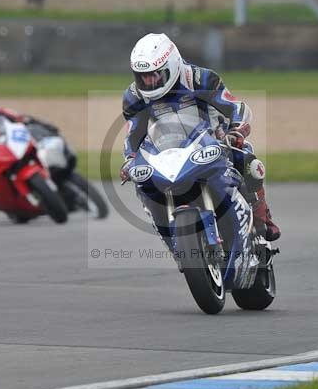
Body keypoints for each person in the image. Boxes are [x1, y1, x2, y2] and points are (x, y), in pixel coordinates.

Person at [120, 32, 280, 241]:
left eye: (156, 75)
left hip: (214, 141)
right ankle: (172, 240)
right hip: (168, 152)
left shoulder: (200, 78)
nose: (149, 82)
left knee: (249, 162)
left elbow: (235, 107)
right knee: (143, 183)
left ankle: (262, 218)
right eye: (143, 77)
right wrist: (129, 160)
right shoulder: (134, 97)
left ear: (173, 64)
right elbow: (133, 134)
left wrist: (237, 131)